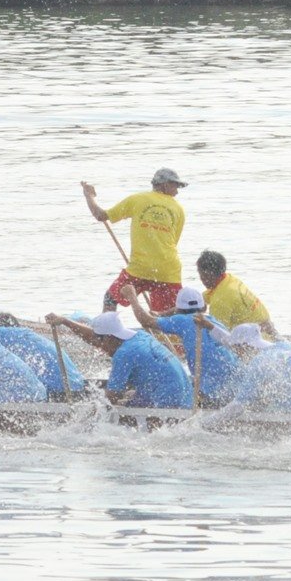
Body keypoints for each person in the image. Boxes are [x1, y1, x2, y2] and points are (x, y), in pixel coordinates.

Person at [83, 168, 188, 313]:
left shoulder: (137, 199)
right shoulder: (179, 209)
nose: (177, 191)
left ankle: (106, 333)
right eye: (175, 186)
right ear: (164, 185)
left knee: (110, 299)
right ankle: (166, 335)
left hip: (140, 268)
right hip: (168, 269)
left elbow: (100, 215)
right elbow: (172, 242)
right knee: (166, 316)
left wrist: (88, 196)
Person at [47, 310, 193, 409]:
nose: (99, 346)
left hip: (170, 405)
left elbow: (111, 398)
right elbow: (94, 337)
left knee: (105, 411)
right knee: (127, 396)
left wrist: (85, 409)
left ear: (109, 338)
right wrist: (65, 321)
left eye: (100, 341)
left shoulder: (124, 354)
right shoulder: (139, 336)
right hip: (186, 398)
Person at [122, 284, 239, 403]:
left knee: (132, 395)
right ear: (203, 307)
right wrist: (161, 314)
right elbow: (181, 311)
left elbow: (145, 321)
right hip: (234, 385)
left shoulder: (182, 320)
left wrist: (132, 296)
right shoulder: (214, 322)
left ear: (179, 310)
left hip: (210, 391)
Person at [225, 324, 291, 413]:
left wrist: (210, 423)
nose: (236, 355)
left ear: (244, 346)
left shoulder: (258, 363)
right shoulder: (284, 345)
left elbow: (237, 407)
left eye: (235, 350)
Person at [197, 250, 275, 337]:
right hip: (268, 330)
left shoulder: (221, 299)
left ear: (207, 275)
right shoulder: (228, 279)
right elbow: (205, 296)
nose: (200, 278)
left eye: (200, 274)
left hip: (255, 342)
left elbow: (218, 334)